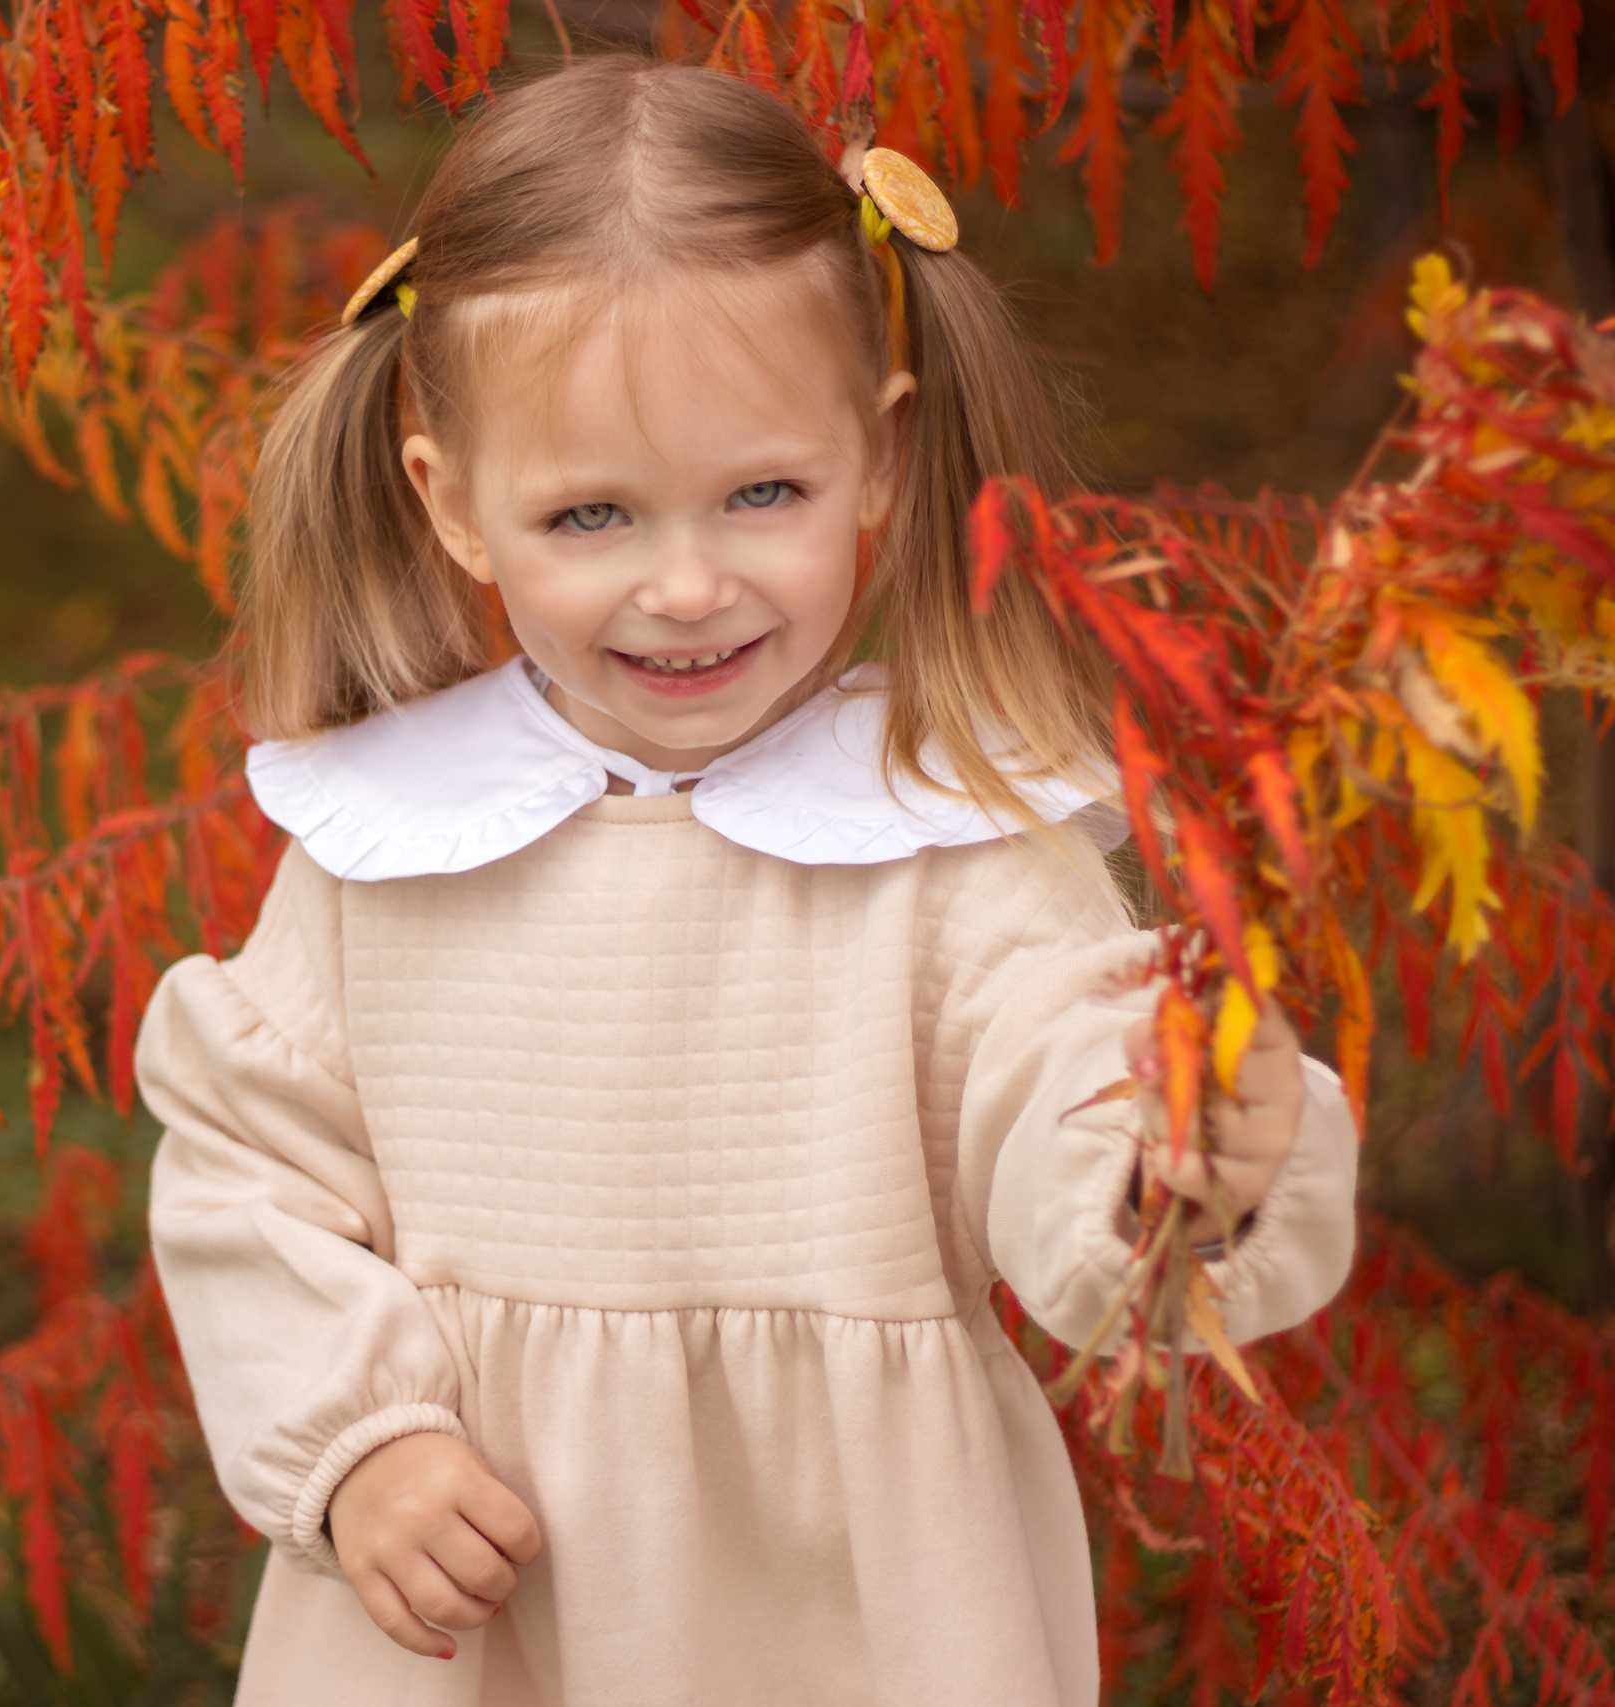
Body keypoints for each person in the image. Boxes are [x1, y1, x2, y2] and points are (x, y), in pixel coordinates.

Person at [136, 56, 1357, 1707]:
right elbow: (247, 1178)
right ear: (459, 509)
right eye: (592, 515)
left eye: (763, 492)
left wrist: (1177, 1156)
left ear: (884, 459)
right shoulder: (391, 849)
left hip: (854, 1605)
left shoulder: (953, 845)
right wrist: (359, 1449)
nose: (688, 582)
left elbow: (1067, 1106)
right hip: (479, 1599)